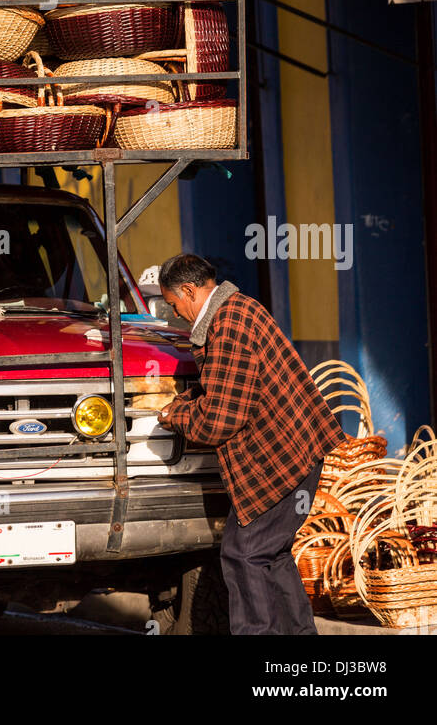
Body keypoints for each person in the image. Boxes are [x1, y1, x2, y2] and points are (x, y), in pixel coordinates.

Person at [156, 253, 344, 636]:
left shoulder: (229, 325)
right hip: (293, 457)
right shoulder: (238, 309)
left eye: (175, 305)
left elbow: (218, 421)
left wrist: (173, 416)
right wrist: (187, 403)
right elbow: (226, 391)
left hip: (282, 462)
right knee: (270, 555)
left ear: (190, 291)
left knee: (245, 555)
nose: (177, 316)